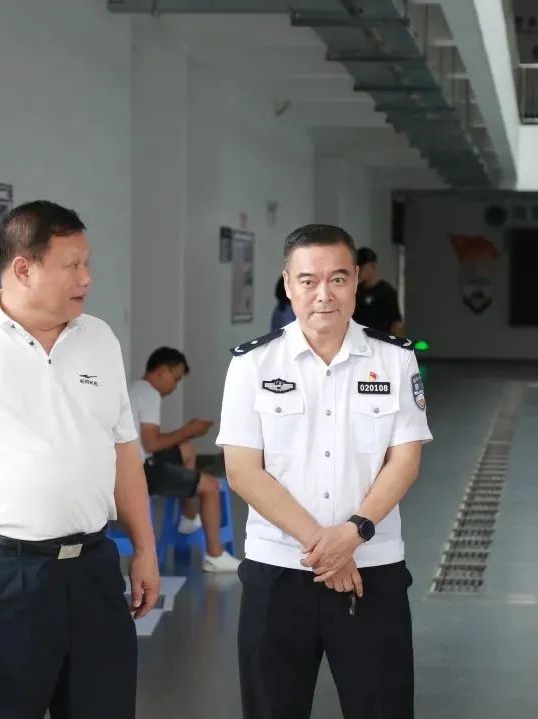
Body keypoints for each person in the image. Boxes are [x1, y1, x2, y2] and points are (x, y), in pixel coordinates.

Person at [0, 200, 159, 719]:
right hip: (0, 576)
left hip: (93, 569)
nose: (86, 278)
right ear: (24, 268)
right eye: (72, 265)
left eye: (87, 263)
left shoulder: (99, 338)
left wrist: (145, 549)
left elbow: (124, 454)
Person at [216, 224, 432, 719]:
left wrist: (352, 534)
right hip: (277, 573)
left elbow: (405, 460)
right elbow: (243, 471)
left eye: (337, 279)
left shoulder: (395, 360)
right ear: (288, 284)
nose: (323, 295)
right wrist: (326, 547)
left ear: (355, 280)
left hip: (372, 570)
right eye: (308, 280)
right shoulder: (253, 364)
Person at [129, 347, 240, 572]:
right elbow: (152, 443)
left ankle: (189, 518)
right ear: (162, 371)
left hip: (130, 464)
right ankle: (215, 556)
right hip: (140, 471)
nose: (175, 387)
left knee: (186, 448)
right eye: (175, 379)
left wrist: (187, 435)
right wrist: (190, 429)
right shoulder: (149, 393)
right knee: (211, 486)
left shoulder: (134, 388)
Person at [353, 246, 405, 335]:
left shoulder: (387, 292)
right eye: (357, 266)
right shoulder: (356, 291)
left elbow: (396, 323)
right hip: (359, 339)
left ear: (372, 266)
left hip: (380, 340)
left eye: (362, 266)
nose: (358, 270)